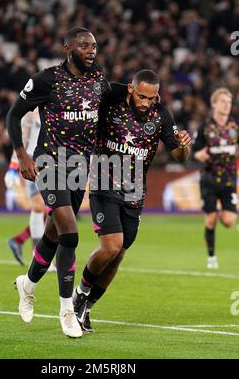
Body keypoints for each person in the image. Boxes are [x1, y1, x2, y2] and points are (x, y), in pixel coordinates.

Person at [6, 27, 112, 338]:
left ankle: (28, 283)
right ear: (67, 47)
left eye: (94, 45)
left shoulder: (99, 82)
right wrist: (22, 155)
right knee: (69, 230)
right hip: (49, 162)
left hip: (80, 168)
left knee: (53, 234)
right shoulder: (45, 79)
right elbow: (14, 115)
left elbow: (113, 107)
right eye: (83, 45)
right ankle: (67, 309)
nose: (91, 50)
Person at [73, 69, 192, 332]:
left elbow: (180, 156)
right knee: (111, 246)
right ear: (130, 89)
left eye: (151, 98)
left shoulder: (161, 116)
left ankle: (87, 308)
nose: (145, 103)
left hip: (134, 191)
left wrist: (184, 145)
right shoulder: (110, 104)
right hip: (104, 183)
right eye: (141, 96)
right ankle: (79, 296)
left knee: (119, 254)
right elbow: (93, 92)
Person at [5, 109, 56, 271]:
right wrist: (13, 167)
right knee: (39, 207)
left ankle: (20, 241)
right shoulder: (30, 111)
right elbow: (22, 139)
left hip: (55, 162)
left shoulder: (58, 105)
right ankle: (39, 256)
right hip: (34, 162)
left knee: (54, 211)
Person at [193, 88, 238, 269]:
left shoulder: (235, 126)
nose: (227, 105)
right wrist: (198, 155)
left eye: (229, 102)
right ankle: (211, 257)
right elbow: (193, 152)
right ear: (214, 104)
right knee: (210, 219)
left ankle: (220, 212)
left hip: (228, 179)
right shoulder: (205, 126)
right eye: (223, 102)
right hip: (209, 179)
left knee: (228, 222)